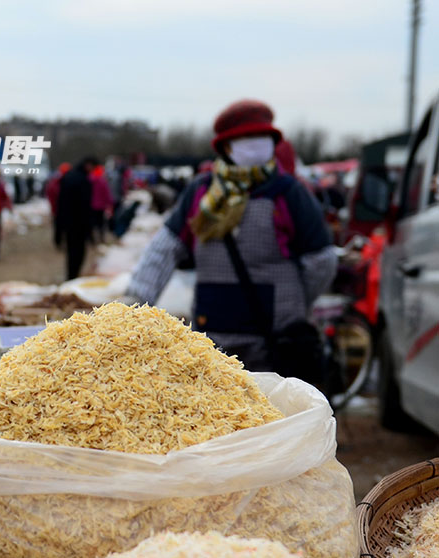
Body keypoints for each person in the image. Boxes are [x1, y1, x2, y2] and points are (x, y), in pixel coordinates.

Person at [124, 99, 337, 373]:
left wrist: (293, 302)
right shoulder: (201, 193)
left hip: (273, 342)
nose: (256, 144)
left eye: (262, 138)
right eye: (246, 138)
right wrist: (134, 307)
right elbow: (164, 248)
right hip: (212, 341)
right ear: (226, 146)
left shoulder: (289, 193)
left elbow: (322, 260)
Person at [55, 157, 98, 280]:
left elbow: (61, 203)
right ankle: (73, 276)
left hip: (68, 222)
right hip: (79, 223)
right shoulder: (83, 180)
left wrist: (59, 227)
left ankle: (71, 275)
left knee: (71, 251)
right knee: (78, 252)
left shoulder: (69, 177)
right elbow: (86, 206)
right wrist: (89, 229)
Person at [89, 164, 113, 243]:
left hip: (91, 206)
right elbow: (106, 194)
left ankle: (92, 239)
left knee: (92, 223)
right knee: (101, 224)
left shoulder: (89, 180)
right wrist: (109, 204)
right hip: (100, 206)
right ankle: (101, 238)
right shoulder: (102, 181)